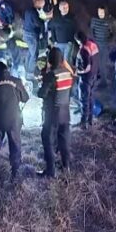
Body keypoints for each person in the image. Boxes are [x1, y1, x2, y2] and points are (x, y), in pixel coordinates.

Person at [0, 61, 29, 184]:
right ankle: (15, 174)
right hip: (14, 119)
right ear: (7, 70)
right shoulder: (17, 81)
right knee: (15, 145)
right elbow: (25, 98)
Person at [38, 47, 75, 176]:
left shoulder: (52, 75)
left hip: (53, 112)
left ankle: (51, 171)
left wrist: (42, 83)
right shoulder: (68, 73)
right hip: (65, 112)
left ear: (50, 60)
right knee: (64, 140)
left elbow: (42, 93)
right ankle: (66, 167)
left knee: (47, 139)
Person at [74, 31, 100, 127]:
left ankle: (83, 122)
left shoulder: (83, 50)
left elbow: (86, 68)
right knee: (91, 98)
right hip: (94, 75)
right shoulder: (93, 45)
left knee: (84, 99)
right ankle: (90, 120)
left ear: (78, 40)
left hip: (86, 78)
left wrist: (77, 72)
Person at [22, 0, 50, 82]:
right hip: (32, 35)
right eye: (42, 4)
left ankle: (27, 70)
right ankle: (30, 73)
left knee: (30, 53)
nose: (43, 6)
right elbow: (38, 23)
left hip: (26, 33)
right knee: (34, 54)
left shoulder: (28, 10)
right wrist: (43, 23)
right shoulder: (34, 12)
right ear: (39, 4)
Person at [48, 1, 77, 65]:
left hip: (68, 43)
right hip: (58, 43)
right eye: (63, 7)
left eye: (66, 7)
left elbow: (74, 30)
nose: (65, 9)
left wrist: (71, 41)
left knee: (66, 60)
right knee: (57, 60)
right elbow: (52, 29)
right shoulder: (56, 18)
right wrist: (54, 41)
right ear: (59, 8)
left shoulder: (72, 18)